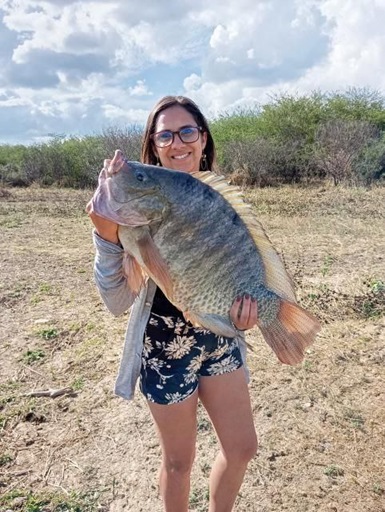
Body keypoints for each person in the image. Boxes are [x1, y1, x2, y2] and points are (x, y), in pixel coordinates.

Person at [88, 96, 259, 512]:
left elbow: (242, 269)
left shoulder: (219, 200)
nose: (177, 142)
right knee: (179, 462)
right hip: (164, 349)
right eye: (165, 134)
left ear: (202, 139)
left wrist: (245, 314)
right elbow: (116, 301)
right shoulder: (137, 202)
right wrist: (106, 235)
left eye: (187, 131)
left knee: (242, 449)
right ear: (154, 144)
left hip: (219, 340)